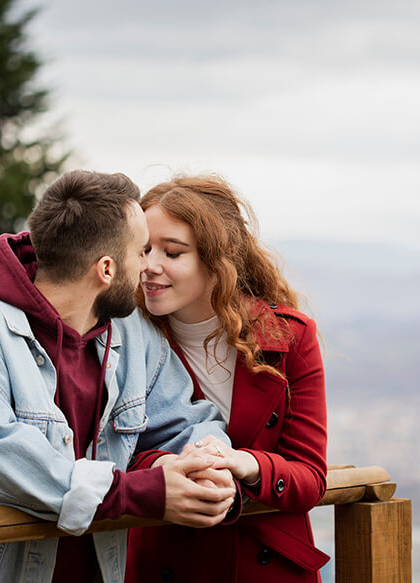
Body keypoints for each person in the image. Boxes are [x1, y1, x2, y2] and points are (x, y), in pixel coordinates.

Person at [0, 170, 238, 583]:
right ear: (107, 269)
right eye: (141, 251)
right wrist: (142, 493)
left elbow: (187, 421)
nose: (147, 267)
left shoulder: (133, 334)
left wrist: (212, 467)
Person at [125, 175, 329, 582]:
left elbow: (310, 474)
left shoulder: (289, 337)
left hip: (266, 566)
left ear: (217, 261)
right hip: (167, 556)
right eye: (144, 249)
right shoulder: (124, 338)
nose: (150, 266)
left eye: (173, 252)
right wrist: (169, 469)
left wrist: (245, 463)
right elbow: (112, 453)